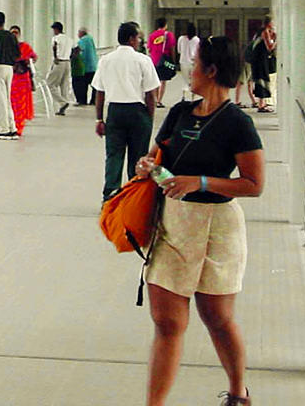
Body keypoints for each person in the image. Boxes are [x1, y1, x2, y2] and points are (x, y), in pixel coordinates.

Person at [136, 36, 265, 406]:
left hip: (218, 227)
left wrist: (202, 182)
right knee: (167, 322)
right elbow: (155, 159)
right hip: (174, 223)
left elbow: (254, 184)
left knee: (217, 318)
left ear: (211, 70)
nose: (188, 71)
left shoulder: (237, 122)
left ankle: (238, 393)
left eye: (194, 65)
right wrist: (149, 168)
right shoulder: (178, 113)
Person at [91, 22, 160, 202]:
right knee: (138, 157)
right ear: (131, 39)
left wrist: (99, 119)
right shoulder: (143, 60)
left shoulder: (106, 60)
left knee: (114, 155)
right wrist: (149, 119)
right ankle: (133, 195)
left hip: (115, 111)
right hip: (137, 112)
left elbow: (100, 91)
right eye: (138, 38)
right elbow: (150, 94)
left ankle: (110, 195)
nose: (139, 41)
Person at [8, 25, 37, 136]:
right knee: (13, 102)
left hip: (23, 78)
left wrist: (27, 61)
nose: (14, 35)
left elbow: (34, 57)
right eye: (13, 33)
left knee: (22, 103)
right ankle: (13, 124)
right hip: (13, 77)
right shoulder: (8, 47)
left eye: (16, 33)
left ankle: (19, 126)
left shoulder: (25, 46)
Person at [249, 17, 277, 113]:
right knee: (263, 79)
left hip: (257, 59)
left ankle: (263, 103)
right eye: (272, 23)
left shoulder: (259, 32)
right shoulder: (265, 32)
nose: (273, 25)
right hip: (260, 60)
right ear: (268, 23)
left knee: (261, 79)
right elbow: (269, 47)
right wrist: (276, 41)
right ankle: (261, 105)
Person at [45, 21, 74, 115]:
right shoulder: (69, 39)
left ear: (56, 29)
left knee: (50, 83)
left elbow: (54, 47)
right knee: (64, 86)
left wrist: (55, 57)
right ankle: (62, 108)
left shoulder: (56, 38)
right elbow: (76, 49)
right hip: (67, 62)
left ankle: (62, 103)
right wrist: (70, 57)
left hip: (59, 62)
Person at [147, 18, 178, 108]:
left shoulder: (152, 35)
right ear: (165, 25)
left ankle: (156, 99)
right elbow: (172, 48)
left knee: (155, 80)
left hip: (154, 60)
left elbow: (149, 48)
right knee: (162, 81)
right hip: (164, 60)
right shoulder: (169, 35)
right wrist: (173, 60)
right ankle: (159, 101)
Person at [74, 28, 98, 106]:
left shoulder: (83, 40)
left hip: (85, 66)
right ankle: (93, 100)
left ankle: (82, 101)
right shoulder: (90, 39)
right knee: (94, 84)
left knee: (82, 85)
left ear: (81, 33)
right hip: (94, 65)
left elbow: (80, 49)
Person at [176, 24, 200, 101]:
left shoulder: (181, 39)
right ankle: (193, 97)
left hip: (183, 61)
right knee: (193, 79)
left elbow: (179, 50)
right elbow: (198, 52)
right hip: (193, 62)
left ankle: (184, 95)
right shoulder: (196, 39)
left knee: (185, 80)